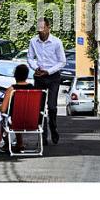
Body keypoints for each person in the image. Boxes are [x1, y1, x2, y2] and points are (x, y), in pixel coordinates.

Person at [27, 17, 66, 145]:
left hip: (53, 76)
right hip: (39, 76)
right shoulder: (33, 41)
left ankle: (53, 128)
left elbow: (62, 62)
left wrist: (48, 71)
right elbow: (30, 58)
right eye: (39, 29)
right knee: (39, 107)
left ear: (48, 28)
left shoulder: (56, 42)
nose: (41, 31)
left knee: (52, 106)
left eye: (43, 28)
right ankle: (42, 134)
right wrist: (35, 67)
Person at [0, 64, 34, 152]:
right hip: (33, 120)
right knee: (20, 114)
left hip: (15, 120)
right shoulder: (34, 89)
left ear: (15, 75)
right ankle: (19, 143)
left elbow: (3, 109)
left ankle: (7, 143)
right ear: (26, 75)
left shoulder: (11, 89)